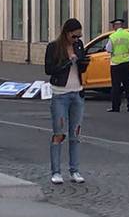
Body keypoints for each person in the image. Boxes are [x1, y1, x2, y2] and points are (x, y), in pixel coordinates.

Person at [44, 18, 89, 185]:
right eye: (74, 36)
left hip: (77, 93)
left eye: (79, 36)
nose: (77, 40)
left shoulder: (79, 46)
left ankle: (74, 170)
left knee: (75, 134)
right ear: (67, 33)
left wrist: (83, 62)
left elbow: (81, 67)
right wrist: (67, 62)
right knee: (59, 133)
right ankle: (56, 171)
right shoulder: (54, 47)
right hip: (60, 94)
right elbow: (49, 69)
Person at [106, 18, 129, 113]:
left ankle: (116, 107)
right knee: (128, 86)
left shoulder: (113, 36)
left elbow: (108, 49)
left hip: (115, 64)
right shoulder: (128, 35)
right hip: (126, 63)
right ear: (122, 26)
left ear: (115, 26)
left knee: (116, 86)